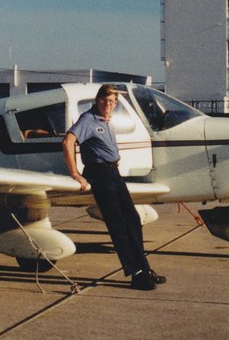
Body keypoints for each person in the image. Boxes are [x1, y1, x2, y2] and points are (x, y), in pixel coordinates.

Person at [62, 84, 166, 291]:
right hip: (99, 174)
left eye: (111, 102)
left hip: (113, 173)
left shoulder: (107, 121)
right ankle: (135, 274)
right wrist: (75, 173)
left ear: (115, 103)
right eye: (104, 100)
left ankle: (144, 268)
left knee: (133, 220)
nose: (107, 105)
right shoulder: (88, 120)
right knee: (117, 224)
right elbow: (68, 141)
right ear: (97, 100)